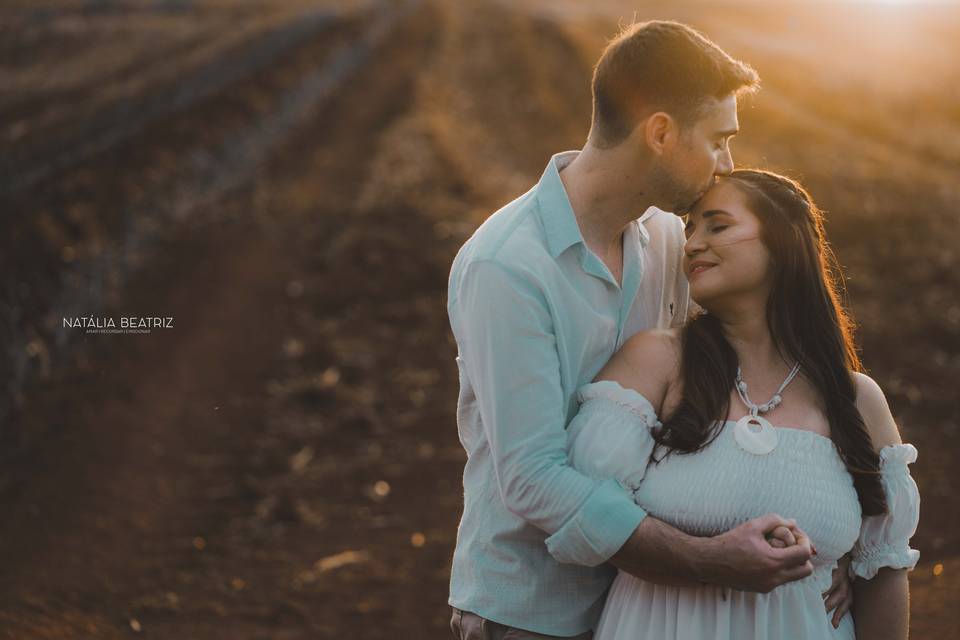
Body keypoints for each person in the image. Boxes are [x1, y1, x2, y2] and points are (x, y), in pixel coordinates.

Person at [446, 20, 852, 639]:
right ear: (660, 132)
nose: (728, 163)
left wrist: (819, 549)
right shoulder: (507, 265)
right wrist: (707, 562)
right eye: (719, 140)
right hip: (535, 611)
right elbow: (532, 479)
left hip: (642, 606)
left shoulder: (666, 239)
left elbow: (737, 383)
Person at [566, 169, 920, 639]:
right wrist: (710, 563)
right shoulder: (657, 364)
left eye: (718, 225)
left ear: (782, 244)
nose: (691, 244)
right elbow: (580, 512)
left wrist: (842, 562)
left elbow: (885, 573)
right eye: (691, 228)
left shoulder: (854, 399)